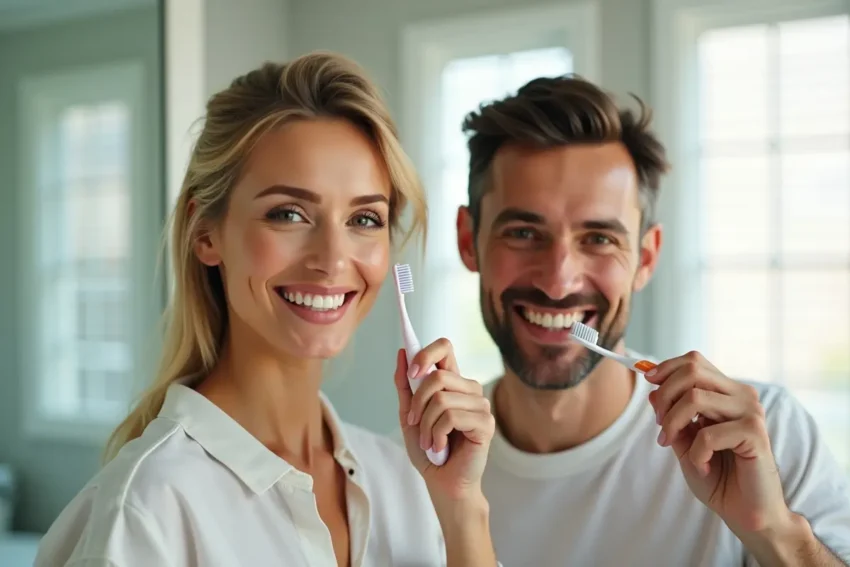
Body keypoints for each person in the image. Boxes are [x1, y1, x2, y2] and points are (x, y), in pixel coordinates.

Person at [34, 51, 498, 567]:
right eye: (289, 213)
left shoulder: (408, 484)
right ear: (205, 233)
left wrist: (464, 512)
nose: (332, 259)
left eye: (364, 219)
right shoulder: (146, 512)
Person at [453, 75, 850, 566]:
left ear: (646, 257)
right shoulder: (417, 473)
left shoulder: (766, 438)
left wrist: (775, 532)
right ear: (469, 241)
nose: (557, 282)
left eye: (598, 238)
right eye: (523, 232)